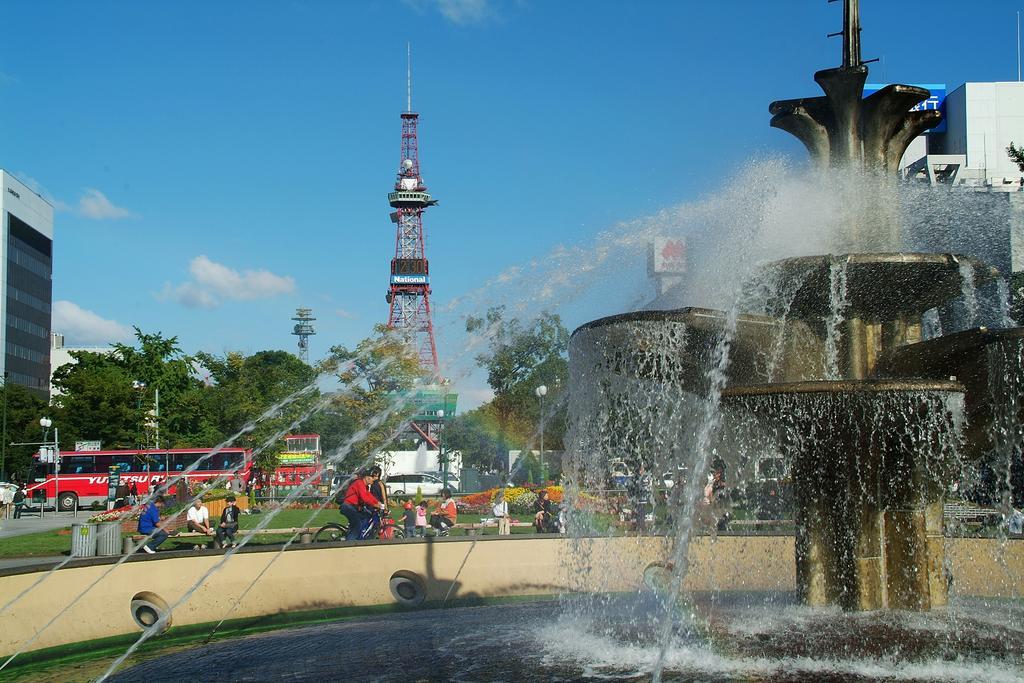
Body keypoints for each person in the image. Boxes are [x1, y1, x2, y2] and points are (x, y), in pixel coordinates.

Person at [340, 470, 383, 541]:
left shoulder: (364, 486)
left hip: (354, 507)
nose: (374, 479)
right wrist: (376, 505)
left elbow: (369, 495)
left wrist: (378, 502)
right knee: (357, 524)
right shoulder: (359, 483)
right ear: (367, 477)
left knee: (368, 516)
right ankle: (349, 543)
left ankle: (359, 536)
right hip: (348, 506)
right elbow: (365, 498)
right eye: (372, 477)